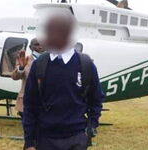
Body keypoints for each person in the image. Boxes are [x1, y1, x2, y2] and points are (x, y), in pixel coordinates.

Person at [23, 11, 104, 150]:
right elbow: (30, 103)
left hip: (77, 138)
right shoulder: (39, 65)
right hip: (45, 138)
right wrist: (29, 141)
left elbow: (96, 100)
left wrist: (90, 128)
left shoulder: (86, 64)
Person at [11, 38, 44, 118]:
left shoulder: (49, 60)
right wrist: (21, 68)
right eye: (37, 44)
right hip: (26, 102)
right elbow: (15, 77)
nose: (40, 47)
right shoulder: (24, 59)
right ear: (30, 47)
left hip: (44, 103)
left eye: (42, 44)